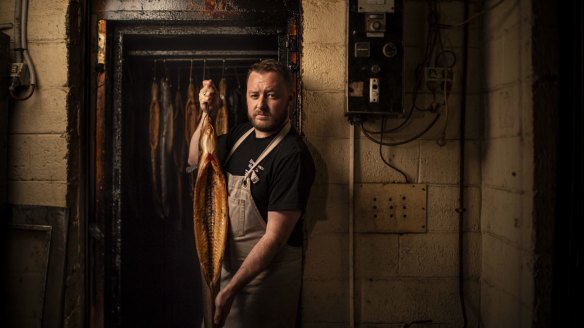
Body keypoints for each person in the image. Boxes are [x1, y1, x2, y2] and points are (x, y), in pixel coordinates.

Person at [188, 59, 315, 327]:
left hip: (264, 282)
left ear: (289, 97)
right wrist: (206, 113)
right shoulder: (240, 135)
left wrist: (231, 289)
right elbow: (194, 159)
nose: (261, 105)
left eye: (272, 96)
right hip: (225, 275)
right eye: (254, 95)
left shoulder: (292, 156)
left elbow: (274, 239)